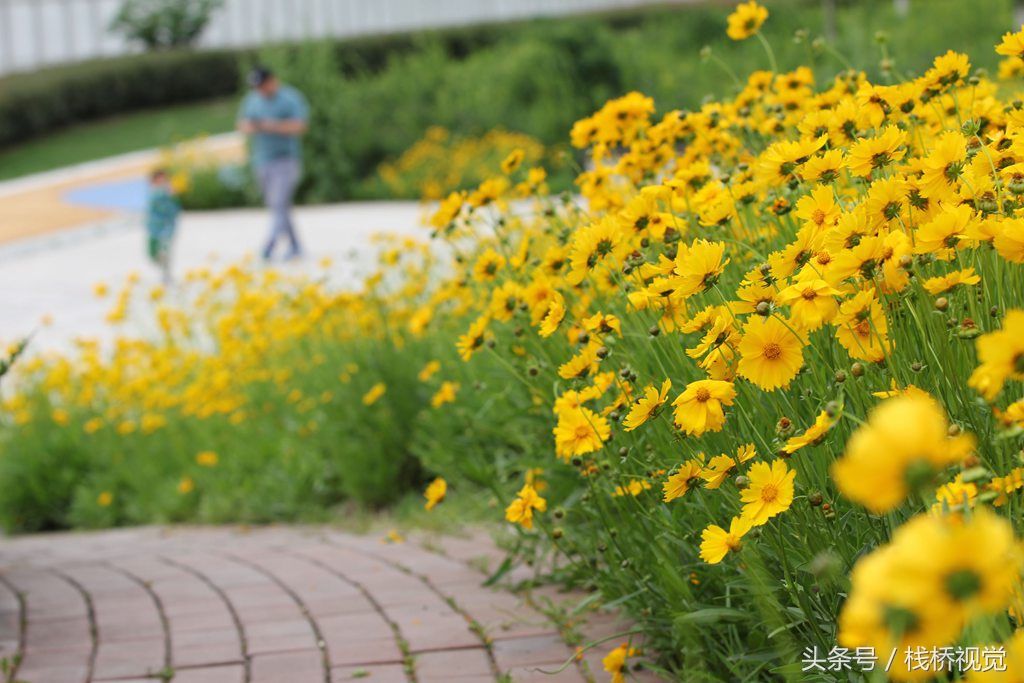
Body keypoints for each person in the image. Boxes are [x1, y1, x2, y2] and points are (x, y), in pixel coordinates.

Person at [237, 66, 310, 261]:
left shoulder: (290, 98)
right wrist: (254, 126)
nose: (259, 90)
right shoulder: (252, 101)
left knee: (278, 203)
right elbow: (242, 124)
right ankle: (296, 246)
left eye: (262, 84)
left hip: (286, 159)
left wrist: (272, 125)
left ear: (272, 81)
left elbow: (300, 126)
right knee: (279, 206)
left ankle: (268, 247)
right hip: (262, 160)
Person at [145, 168, 180, 284]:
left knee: (165, 252)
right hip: (154, 229)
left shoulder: (168, 192)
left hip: (166, 229)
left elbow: (174, 209)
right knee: (152, 254)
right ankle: (165, 273)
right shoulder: (155, 192)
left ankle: (166, 276)